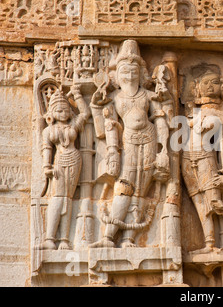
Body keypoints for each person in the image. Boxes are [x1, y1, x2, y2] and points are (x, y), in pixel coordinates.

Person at [89, 40, 170, 248]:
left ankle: (129, 239)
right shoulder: (115, 97)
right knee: (124, 186)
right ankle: (108, 236)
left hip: (149, 141)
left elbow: (160, 121)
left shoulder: (149, 96)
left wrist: (163, 151)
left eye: (134, 72)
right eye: (125, 72)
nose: (130, 76)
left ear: (141, 74)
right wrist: (112, 151)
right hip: (129, 143)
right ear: (117, 75)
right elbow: (108, 124)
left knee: (141, 189)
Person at [181, 67, 223, 254]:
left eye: (215, 82)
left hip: (206, 157)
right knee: (198, 201)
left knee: (215, 201)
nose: (210, 86)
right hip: (186, 158)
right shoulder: (191, 113)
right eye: (205, 83)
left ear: (222, 88)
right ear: (197, 88)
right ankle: (209, 243)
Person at [39, 85, 90, 250]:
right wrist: (47, 166)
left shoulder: (73, 126)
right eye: (59, 111)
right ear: (52, 113)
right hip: (58, 162)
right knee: (57, 198)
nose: (63, 113)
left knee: (68, 199)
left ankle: (64, 240)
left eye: (66, 110)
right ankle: (49, 238)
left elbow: (85, 114)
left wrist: (76, 94)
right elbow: (46, 148)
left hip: (75, 159)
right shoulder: (49, 130)